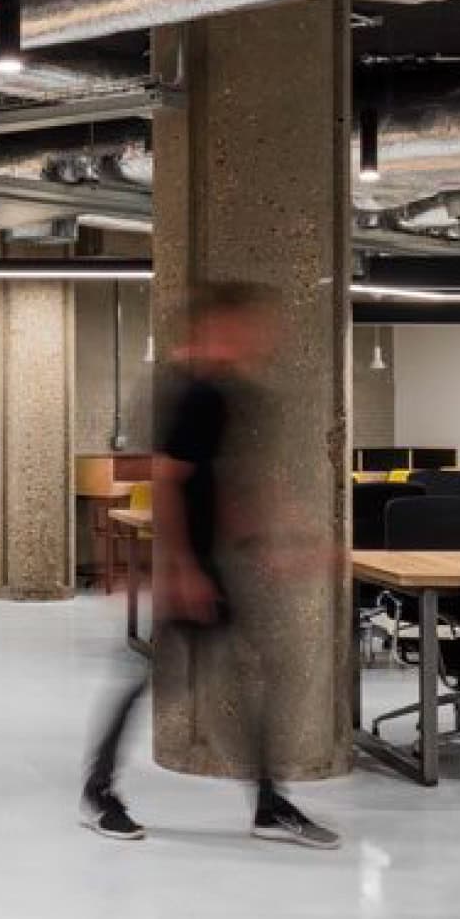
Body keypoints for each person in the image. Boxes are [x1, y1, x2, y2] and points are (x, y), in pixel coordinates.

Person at [81, 281, 340, 849]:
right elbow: (169, 484)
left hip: (215, 563)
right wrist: (182, 571)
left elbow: (223, 482)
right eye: (246, 327)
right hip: (195, 567)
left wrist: (280, 537)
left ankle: (267, 804)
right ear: (215, 328)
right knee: (157, 681)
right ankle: (98, 792)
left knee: (243, 679)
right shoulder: (192, 393)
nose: (259, 337)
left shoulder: (229, 393)